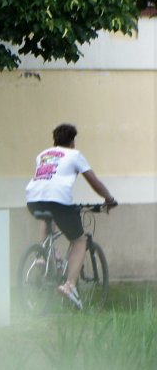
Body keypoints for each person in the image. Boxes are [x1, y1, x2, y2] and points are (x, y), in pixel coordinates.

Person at [25, 123, 118, 308]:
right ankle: (70, 286)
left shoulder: (43, 155)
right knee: (79, 241)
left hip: (33, 200)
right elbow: (94, 181)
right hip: (58, 200)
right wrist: (108, 198)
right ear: (72, 142)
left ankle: (43, 256)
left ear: (55, 141)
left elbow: (48, 180)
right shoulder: (75, 155)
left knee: (47, 217)